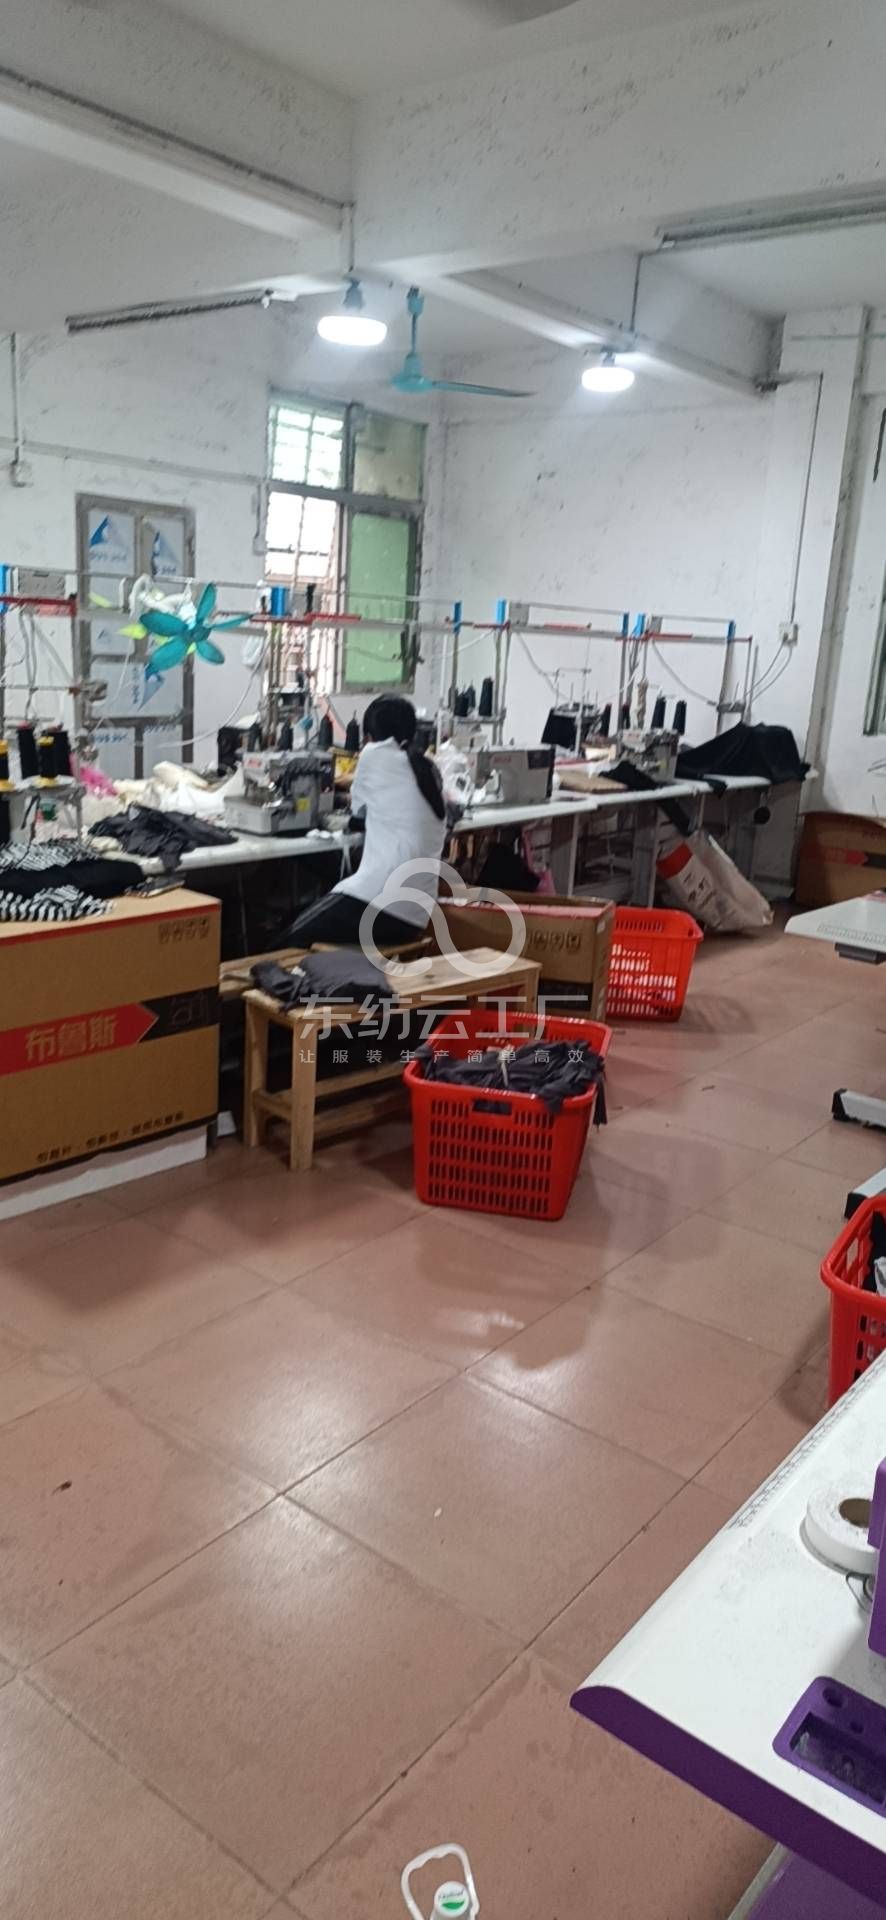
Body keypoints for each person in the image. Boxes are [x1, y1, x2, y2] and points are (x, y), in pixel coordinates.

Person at [287, 695, 446, 948]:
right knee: (327, 888)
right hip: (417, 916)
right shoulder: (427, 768)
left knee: (292, 937)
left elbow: (357, 813)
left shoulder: (374, 755)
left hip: (380, 902)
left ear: (369, 736)